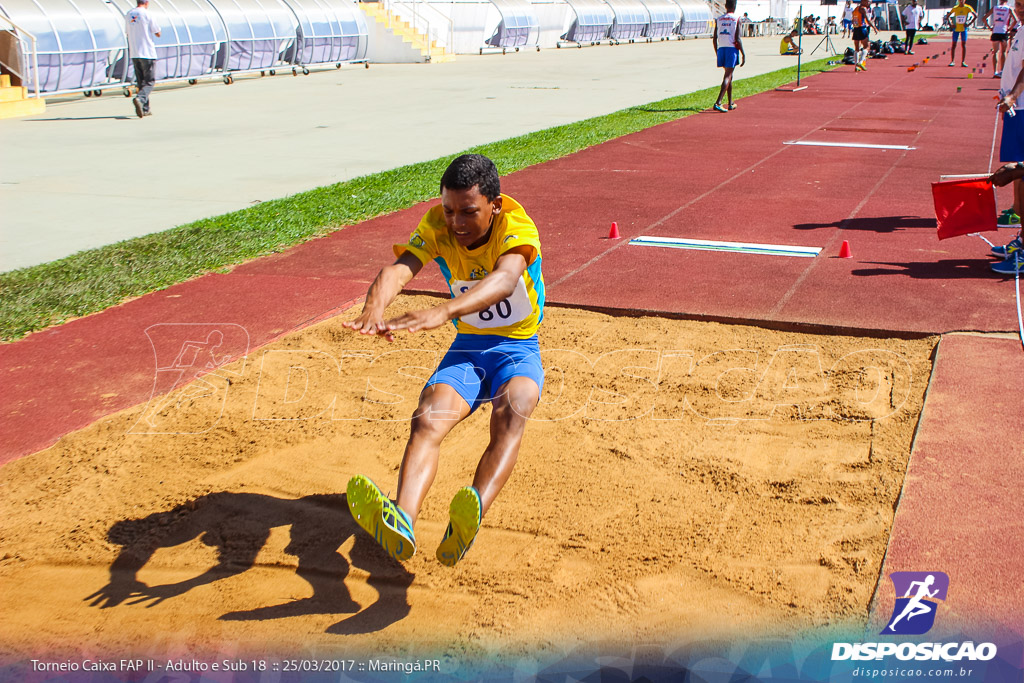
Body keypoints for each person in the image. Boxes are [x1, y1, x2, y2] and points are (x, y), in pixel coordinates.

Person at [343, 154, 546, 566]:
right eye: (449, 210)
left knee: (514, 408)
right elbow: (401, 269)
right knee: (427, 418)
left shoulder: (516, 225)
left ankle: (467, 519)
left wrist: (445, 311)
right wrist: (374, 307)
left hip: (517, 349)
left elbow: (506, 280)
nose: (456, 223)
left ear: (495, 204)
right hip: (468, 351)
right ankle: (401, 519)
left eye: (469, 211)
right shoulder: (437, 224)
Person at [991, 0, 1024, 275]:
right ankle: (1023, 240)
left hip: (1022, 109)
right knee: (1019, 174)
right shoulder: (1021, 29)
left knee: (1021, 173)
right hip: (1017, 109)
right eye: (1019, 4)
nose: (1021, 8)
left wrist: (1013, 95)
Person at [125, 0, 161, 118]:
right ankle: (140, 99)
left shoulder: (129, 14)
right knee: (150, 81)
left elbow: (127, 32)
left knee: (141, 82)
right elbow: (157, 32)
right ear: (147, 2)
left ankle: (145, 109)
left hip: (135, 52)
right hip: (147, 52)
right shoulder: (148, 14)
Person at [712, 0, 745, 112]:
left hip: (721, 48)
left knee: (729, 74)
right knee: (728, 75)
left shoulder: (719, 19)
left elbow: (714, 38)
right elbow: (738, 38)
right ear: (735, 6)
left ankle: (730, 102)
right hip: (731, 49)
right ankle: (718, 102)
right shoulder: (737, 19)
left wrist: (717, 51)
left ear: (725, 6)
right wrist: (743, 53)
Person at [982, 0, 1018, 77]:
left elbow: (984, 18)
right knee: (1004, 52)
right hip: (1003, 31)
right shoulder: (1009, 8)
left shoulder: (994, 8)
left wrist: (989, 27)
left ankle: (995, 71)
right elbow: (1016, 20)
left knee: (995, 52)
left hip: (995, 31)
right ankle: (1002, 71)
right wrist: (1010, 28)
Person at [945, 0, 976, 67]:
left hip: (963, 29)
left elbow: (975, 16)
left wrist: (969, 24)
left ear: (964, 1)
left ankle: (963, 61)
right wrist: (950, 25)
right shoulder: (955, 8)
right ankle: (952, 61)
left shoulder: (968, 8)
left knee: (963, 45)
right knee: (953, 45)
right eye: (960, 0)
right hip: (956, 29)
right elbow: (947, 16)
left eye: (962, 0)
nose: (961, 1)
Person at [852, 0, 877, 71]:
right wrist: (874, 28)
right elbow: (868, 20)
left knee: (857, 47)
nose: (869, 3)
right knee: (867, 46)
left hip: (856, 28)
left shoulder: (856, 8)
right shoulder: (863, 9)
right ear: (863, 1)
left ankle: (856, 65)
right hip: (862, 28)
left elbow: (853, 19)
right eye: (868, 1)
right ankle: (860, 62)